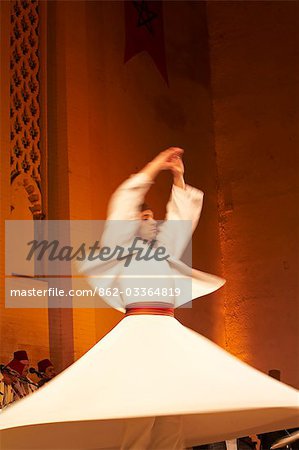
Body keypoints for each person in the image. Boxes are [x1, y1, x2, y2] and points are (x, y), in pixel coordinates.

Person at [0, 149, 298, 450]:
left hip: (166, 331)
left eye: (153, 217)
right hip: (139, 332)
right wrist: (155, 168)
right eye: (145, 217)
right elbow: (123, 203)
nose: (153, 221)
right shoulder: (119, 247)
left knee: (171, 411)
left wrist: (179, 180)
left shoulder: (163, 249)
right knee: (138, 410)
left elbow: (182, 218)